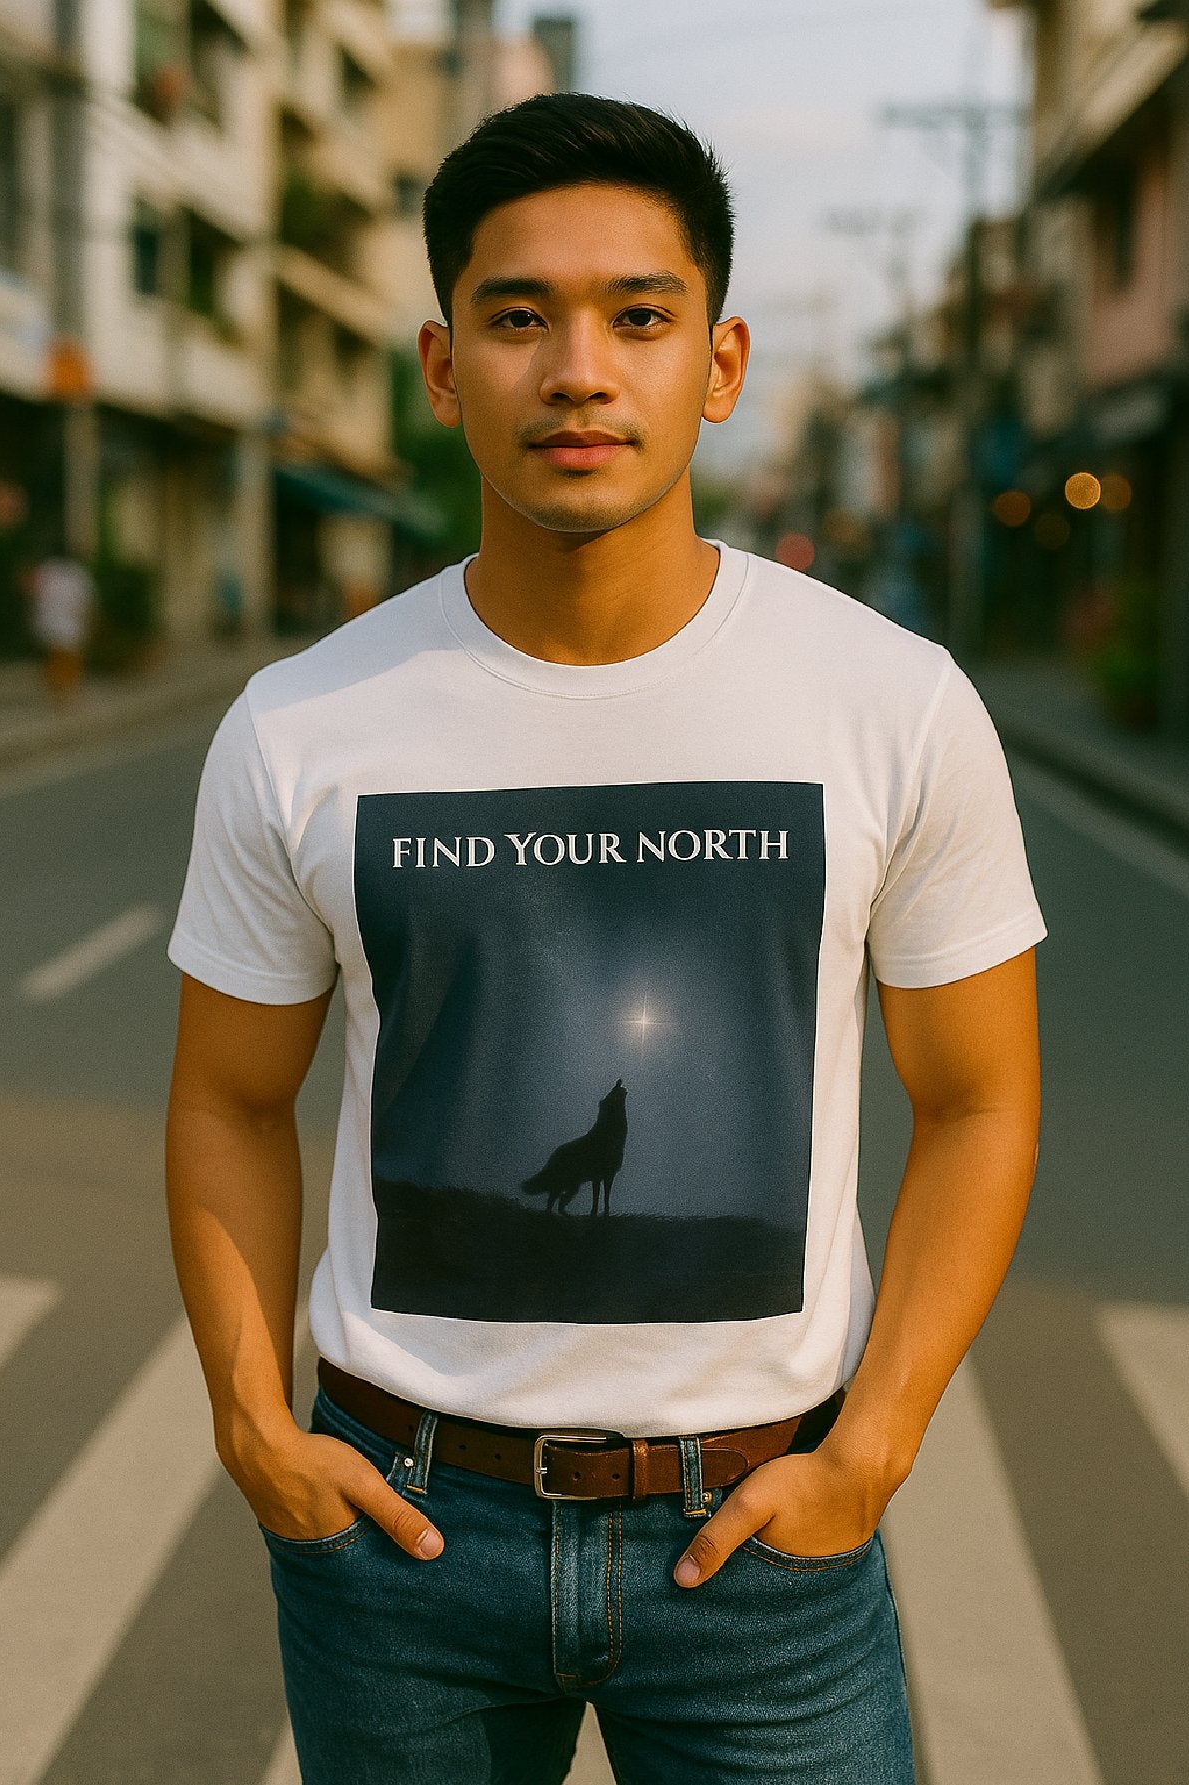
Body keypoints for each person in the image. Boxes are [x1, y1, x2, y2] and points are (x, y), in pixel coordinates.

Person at [166, 93, 1046, 1784]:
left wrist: (878, 1444)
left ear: (717, 365)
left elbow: (982, 1102)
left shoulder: (889, 705)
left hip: (762, 1554)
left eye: (638, 318)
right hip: (402, 1538)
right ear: (442, 369)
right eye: (519, 319)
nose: (580, 369)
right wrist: (252, 1424)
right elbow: (224, 1098)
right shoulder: (304, 725)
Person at [28, 550, 94, 703]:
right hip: (62, 622)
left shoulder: (53, 571)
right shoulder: (77, 574)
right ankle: (63, 690)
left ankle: (63, 689)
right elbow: (85, 599)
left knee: (62, 656)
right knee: (63, 656)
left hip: (58, 622)